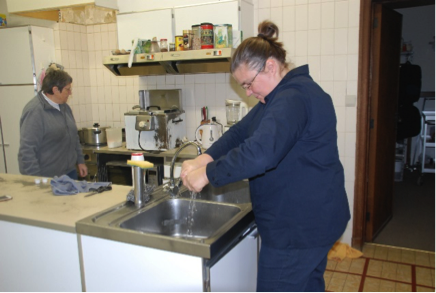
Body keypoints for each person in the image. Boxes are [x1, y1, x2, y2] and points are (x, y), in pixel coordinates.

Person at [181, 21, 350, 292]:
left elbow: (260, 154)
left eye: (248, 83)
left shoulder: (292, 98)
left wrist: (207, 175)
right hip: (313, 220)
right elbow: (239, 133)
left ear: (270, 66)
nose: (247, 92)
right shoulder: (277, 96)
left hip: (298, 230)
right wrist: (204, 158)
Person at [18, 69, 87, 180]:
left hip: (69, 173)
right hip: (47, 177)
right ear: (55, 90)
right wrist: (36, 181)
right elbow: (27, 151)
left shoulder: (64, 107)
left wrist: (80, 161)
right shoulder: (35, 111)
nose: (70, 93)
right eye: (67, 89)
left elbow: (74, 136)